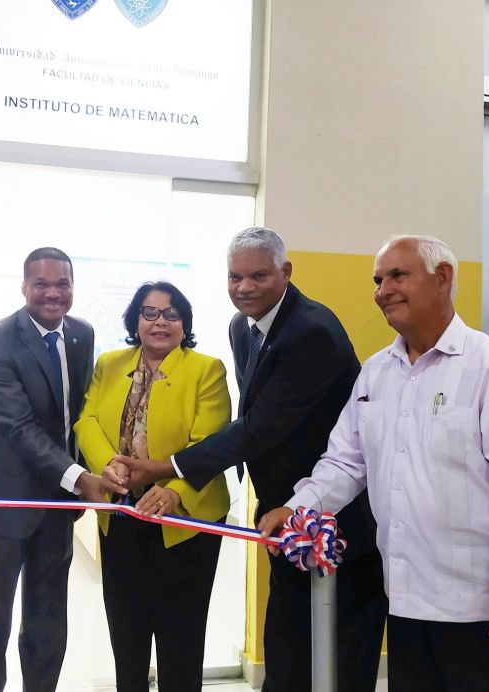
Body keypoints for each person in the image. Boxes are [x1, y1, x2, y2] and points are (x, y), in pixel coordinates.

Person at [261, 235, 489, 691]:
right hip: (405, 610)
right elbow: (345, 463)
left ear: (442, 278)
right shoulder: (376, 374)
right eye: (377, 280)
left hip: (487, 613)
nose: (382, 290)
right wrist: (298, 506)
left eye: (397, 276)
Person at [116, 227, 387, 691]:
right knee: (288, 636)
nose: (244, 287)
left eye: (258, 276)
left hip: (337, 512)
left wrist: (169, 466)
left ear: (285, 272)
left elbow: (261, 426)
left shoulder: (311, 332)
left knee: (343, 645)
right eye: (235, 276)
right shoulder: (242, 326)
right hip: (280, 507)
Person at [0, 247, 127, 692]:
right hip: (4, 499)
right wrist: (79, 476)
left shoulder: (81, 334)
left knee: (48, 618)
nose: (53, 294)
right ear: (24, 287)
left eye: (63, 284)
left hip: (58, 504)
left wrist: (102, 465)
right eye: (42, 284)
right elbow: (17, 426)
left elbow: (78, 415)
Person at [74, 281, 231, 692]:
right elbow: (86, 420)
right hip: (122, 515)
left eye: (171, 313)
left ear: (184, 323)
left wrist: (175, 488)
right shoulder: (109, 363)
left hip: (182, 521)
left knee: (180, 637)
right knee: (126, 634)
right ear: (135, 320)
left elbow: (210, 444)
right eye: (149, 313)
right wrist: (108, 464)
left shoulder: (206, 370)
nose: (160, 322)